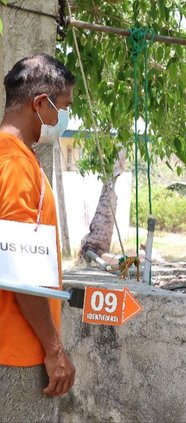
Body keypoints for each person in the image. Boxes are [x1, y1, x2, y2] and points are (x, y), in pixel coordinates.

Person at [0, 54, 76, 421]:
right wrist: (54, 349)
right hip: (15, 352)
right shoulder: (15, 167)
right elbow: (21, 271)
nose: (65, 119)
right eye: (64, 108)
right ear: (41, 104)